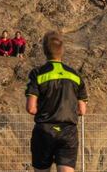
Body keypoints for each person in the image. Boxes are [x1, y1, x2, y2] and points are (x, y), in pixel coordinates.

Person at [26, 32, 88, 172]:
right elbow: (82, 110)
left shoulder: (38, 73)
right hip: (68, 132)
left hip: (44, 131)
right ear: (63, 50)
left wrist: (46, 110)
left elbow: (31, 108)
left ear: (44, 50)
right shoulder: (75, 76)